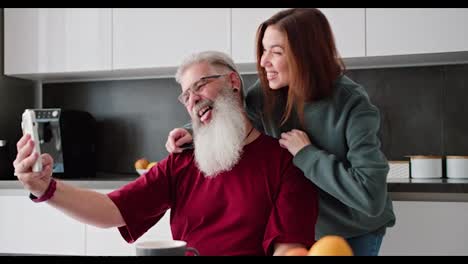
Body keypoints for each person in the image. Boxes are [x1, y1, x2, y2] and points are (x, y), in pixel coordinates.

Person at [13, 51, 319, 256]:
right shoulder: (182, 161)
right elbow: (111, 210)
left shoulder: (284, 162)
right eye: (186, 95)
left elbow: (288, 247)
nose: (194, 100)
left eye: (200, 85)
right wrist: (46, 189)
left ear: (233, 83)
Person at [165, 8, 396, 256]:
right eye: (264, 50)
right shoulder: (267, 94)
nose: (263, 61)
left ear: (307, 55)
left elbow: (371, 198)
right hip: (299, 232)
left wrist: (306, 154)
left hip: (352, 232)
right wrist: (192, 131)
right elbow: (233, 111)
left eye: (276, 52)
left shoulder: (353, 104)